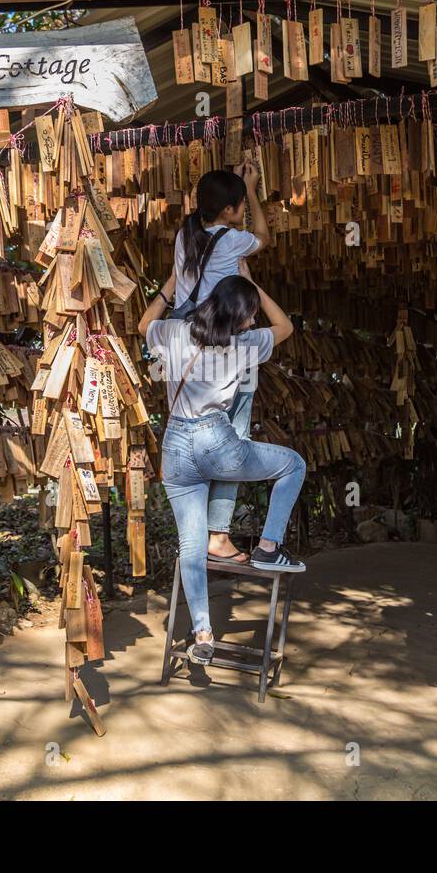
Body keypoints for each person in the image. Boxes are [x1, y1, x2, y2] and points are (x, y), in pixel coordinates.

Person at [140, 273, 306, 665]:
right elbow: (285, 326)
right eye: (248, 316)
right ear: (241, 315)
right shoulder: (245, 343)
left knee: (191, 546)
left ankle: (203, 632)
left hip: (176, 446)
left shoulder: (176, 332)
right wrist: (256, 286)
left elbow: (144, 324)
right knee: (293, 464)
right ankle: (268, 548)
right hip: (217, 443)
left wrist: (168, 287)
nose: (252, 323)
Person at [170, 163, 270, 564]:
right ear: (229, 209)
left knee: (194, 431)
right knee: (234, 441)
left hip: (189, 352)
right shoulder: (231, 240)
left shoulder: (184, 235)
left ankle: (194, 534)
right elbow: (264, 236)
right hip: (231, 350)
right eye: (241, 205)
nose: (244, 211)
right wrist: (253, 188)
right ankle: (218, 534)